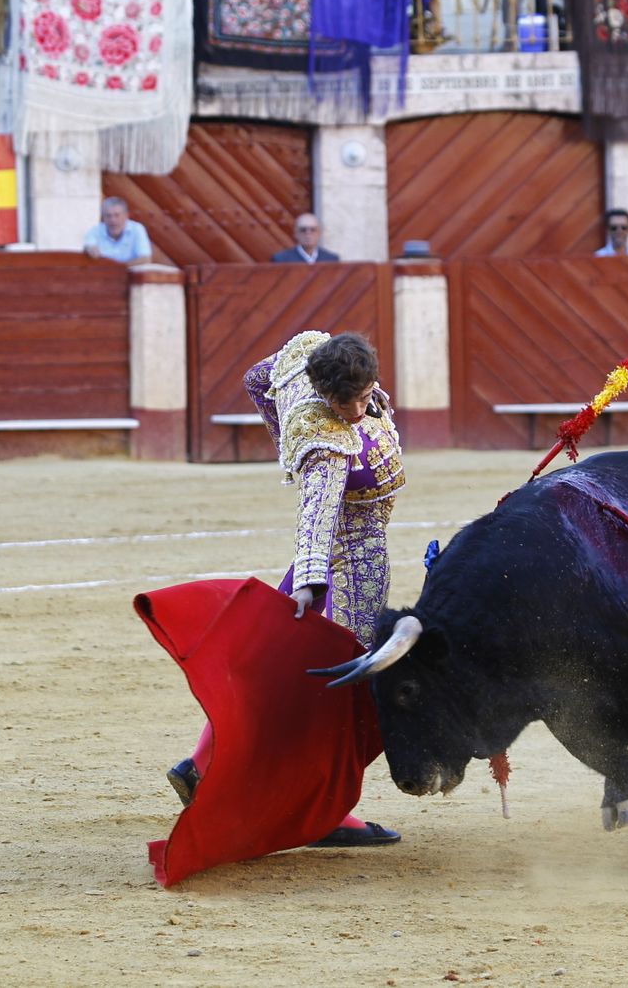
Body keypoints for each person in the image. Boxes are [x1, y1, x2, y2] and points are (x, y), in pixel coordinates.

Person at [167, 331, 405, 849]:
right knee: (344, 696)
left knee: (272, 673)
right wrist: (312, 583)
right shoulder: (327, 446)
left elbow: (258, 377)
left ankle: (201, 763)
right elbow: (316, 516)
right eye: (355, 402)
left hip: (322, 566)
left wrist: (283, 435)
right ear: (328, 397)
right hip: (350, 565)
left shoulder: (306, 366)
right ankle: (326, 813)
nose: (363, 410)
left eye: (368, 394)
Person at [82, 197, 153, 264]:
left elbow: (145, 259)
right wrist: (89, 249)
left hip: (130, 274)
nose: (113, 220)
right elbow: (89, 247)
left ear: (126, 216)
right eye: (108, 216)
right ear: (103, 217)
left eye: (117, 215)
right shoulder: (95, 231)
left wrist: (119, 268)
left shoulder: (137, 229)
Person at [271, 213, 340, 263]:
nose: (308, 234)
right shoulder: (281, 260)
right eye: (303, 230)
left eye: (313, 230)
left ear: (319, 233)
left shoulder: (331, 260)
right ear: (296, 234)